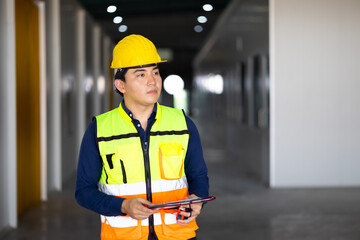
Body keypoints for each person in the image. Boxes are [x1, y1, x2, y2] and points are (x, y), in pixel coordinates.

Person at [75, 34, 209, 240]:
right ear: (121, 85)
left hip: (177, 235)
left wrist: (197, 201)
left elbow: (198, 176)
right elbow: (84, 192)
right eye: (140, 75)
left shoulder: (182, 123)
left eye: (155, 72)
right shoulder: (99, 130)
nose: (152, 80)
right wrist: (123, 205)